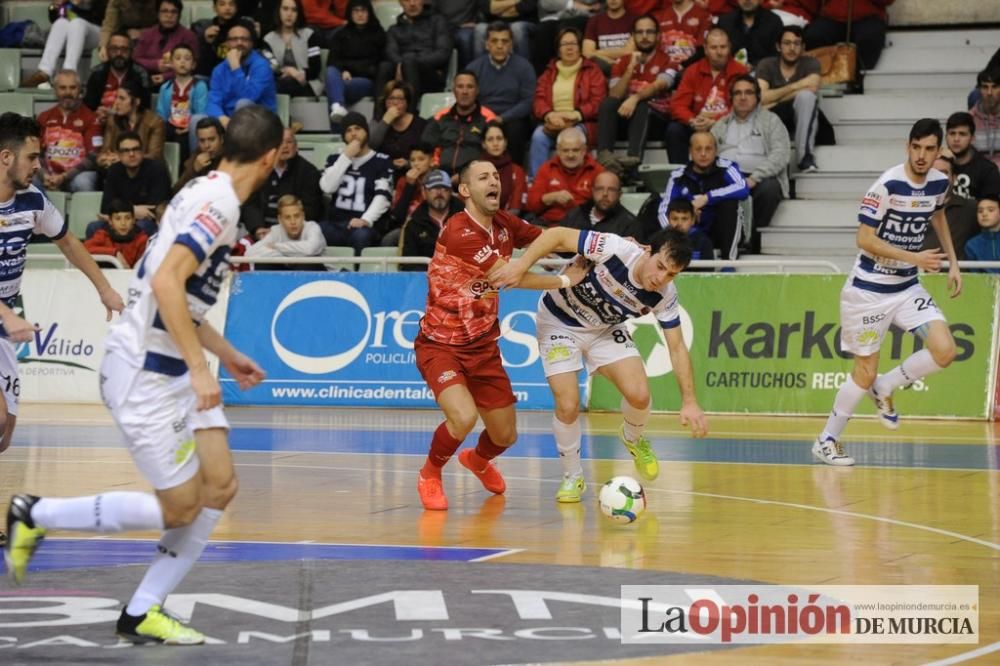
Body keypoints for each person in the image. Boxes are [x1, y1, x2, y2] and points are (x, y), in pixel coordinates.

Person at [4, 105, 283, 644]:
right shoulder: (219, 202)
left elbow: (176, 291)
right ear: (270, 158)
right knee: (181, 506)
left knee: (220, 486)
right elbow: (166, 286)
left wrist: (223, 354)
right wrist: (203, 369)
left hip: (173, 363)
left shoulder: (204, 188)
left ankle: (143, 609)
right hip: (146, 372)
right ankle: (38, 513)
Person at [412, 159, 588, 511]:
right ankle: (430, 473)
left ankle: (477, 460)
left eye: (496, 176)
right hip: (440, 345)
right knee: (463, 417)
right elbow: (511, 277)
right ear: (465, 191)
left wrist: (602, 246)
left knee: (505, 435)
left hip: (482, 345)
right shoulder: (459, 231)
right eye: (483, 177)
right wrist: (566, 280)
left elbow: (550, 239)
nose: (494, 181)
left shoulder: (504, 224)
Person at [491, 226, 708, 502]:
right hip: (559, 321)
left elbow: (676, 346)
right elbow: (556, 234)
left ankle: (633, 438)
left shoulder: (665, 295)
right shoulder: (615, 248)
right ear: (648, 251)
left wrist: (689, 400)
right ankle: (573, 477)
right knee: (568, 405)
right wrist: (520, 266)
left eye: (671, 274)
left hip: (604, 329)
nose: (660, 278)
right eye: (660, 266)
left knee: (640, 395)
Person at [813, 118, 961, 466]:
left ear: (938, 151)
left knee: (945, 349)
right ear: (907, 146)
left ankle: (887, 385)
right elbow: (863, 238)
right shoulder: (888, 184)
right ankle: (826, 440)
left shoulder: (939, 182)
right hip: (868, 291)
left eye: (929, 149)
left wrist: (953, 261)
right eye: (916, 148)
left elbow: (937, 215)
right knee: (863, 373)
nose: (922, 156)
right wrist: (915, 257)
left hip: (907, 286)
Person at [0, 112, 125, 467]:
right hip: (3, 315)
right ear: (6, 157)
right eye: (32, 157)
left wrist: (104, 288)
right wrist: (8, 314)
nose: (38, 165)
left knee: (4, 434)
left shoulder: (33, 201)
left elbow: (69, 242)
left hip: (3, 322)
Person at [711, 74, 791, 253]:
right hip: (727, 177)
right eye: (738, 93)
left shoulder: (771, 121)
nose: (743, 97)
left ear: (757, 97)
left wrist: (755, 177)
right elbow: (708, 153)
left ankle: (752, 239)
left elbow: (781, 154)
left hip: (759, 178)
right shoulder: (721, 125)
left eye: (748, 92)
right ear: (731, 98)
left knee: (769, 189)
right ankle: (726, 240)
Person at [596, 14, 674, 176]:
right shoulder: (622, 62)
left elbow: (660, 85)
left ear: (658, 36)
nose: (644, 36)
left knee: (642, 106)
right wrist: (630, 69)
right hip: (626, 117)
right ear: (633, 36)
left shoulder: (668, 61)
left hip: (655, 120)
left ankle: (633, 162)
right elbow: (615, 94)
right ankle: (604, 159)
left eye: (649, 32)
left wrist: (635, 97)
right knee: (608, 104)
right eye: (639, 32)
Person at [658, 130, 750, 259]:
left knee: (730, 204)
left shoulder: (727, 167)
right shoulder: (678, 175)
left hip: (721, 231)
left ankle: (729, 261)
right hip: (690, 234)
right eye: (698, 149)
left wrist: (708, 198)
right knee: (662, 206)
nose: (703, 154)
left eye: (708, 149)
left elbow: (743, 188)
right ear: (690, 151)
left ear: (716, 150)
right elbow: (663, 210)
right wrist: (683, 223)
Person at [529, 27, 607, 177]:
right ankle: (536, 182)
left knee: (574, 137)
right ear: (558, 50)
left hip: (581, 122)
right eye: (564, 44)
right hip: (554, 122)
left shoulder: (592, 70)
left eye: (573, 43)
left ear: (580, 47)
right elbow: (539, 100)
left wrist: (575, 114)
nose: (569, 47)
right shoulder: (548, 73)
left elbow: (598, 101)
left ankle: (579, 181)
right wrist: (549, 115)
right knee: (538, 136)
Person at [666, 26, 748, 164]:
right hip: (696, 124)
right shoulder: (693, 71)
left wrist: (716, 122)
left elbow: (743, 107)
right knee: (674, 130)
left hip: (728, 125)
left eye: (723, 47)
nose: (719, 52)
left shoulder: (739, 72)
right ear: (705, 49)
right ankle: (680, 176)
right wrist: (692, 121)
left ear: (729, 48)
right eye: (714, 47)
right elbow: (678, 105)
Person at [319, 112, 394, 253]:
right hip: (337, 224)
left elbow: (383, 197)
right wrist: (346, 156)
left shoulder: (382, 161)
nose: (353, 134)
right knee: (317, 230)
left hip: (367, 226)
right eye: (348, 130)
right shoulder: (335, 159)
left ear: (366, 131)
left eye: (358, 128)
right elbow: (327, 187)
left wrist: (365, 220)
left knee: (361, 236)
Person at [466, 21, 537, 165]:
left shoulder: (524, 67)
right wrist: (487, 117)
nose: (499, 46)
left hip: (512, 118)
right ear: (487, 45)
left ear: (511, 45)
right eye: (494, 41)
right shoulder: (474, 68)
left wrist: (503, 118)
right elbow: (469, 99)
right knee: (470, 130)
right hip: (482, 117)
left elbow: (528, 101)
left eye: (505, 41)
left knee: (516, 130)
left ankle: (514, 173)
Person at [199, 21, 278, 146]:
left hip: (260, 121)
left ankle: (244, 157)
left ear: (252, 43)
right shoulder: (219, 70)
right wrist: (221, 118)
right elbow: (213, 101)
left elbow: (249, 96)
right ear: (227, 43)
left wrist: (236, 68)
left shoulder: (262, 66)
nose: (239, 43)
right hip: (227, 120)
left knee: (243, 104)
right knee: (196, 120)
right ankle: (202, 163)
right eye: (234, 39)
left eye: (244, 39)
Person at [756, 24, 821, 172]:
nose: (792, 48)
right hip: (774, 117)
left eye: (797, 43)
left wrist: (775, 98)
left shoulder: (811, 63)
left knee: (806, 97)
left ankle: (805, 157)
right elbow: (761, 98)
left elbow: (812, 88)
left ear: (803, 47)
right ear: (778, 47)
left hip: (801, 116)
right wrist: (796, 87)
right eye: (787, 43)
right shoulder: (766, 64)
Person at [242, 126, 324, 239]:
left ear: (296, 146)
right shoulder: (259, 169)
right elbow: (250, 204)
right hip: (262, 233)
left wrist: (279, 232)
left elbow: (310, 210)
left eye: (289, 142)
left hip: (295, 235)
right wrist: (258, 228)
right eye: (279, 142)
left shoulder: (309, 172)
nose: (284, 146)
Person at [421, 71, 498, 178]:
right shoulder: (440, 117)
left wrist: (465, 175)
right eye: (460, 87)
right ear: (454, 90)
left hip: (475, 177)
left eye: (470, 87)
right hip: (441, 177)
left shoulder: (488, 119)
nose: (465, 91)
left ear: (477, 91)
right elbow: (425, 147)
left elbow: (495, 153)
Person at [37, 70, 103, 193]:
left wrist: (64, 177)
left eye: (73, 88)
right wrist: (44, 175)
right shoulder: (44, 117)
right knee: (26, 178)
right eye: (63, 88)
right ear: (55, 90)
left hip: (78, 175)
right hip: (49, 175)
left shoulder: (91, 118)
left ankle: (84, 212)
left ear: (80, 90)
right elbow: (36, 153)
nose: (68, 92)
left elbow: (93, 156)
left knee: (83, 182)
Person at [526, 126, 605, 227]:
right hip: (549, 226)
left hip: (583, 228)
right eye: (565, 150)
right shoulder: (546, 169)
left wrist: (575, 205)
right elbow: (531, 205)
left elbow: (603, 206)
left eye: (575, 150)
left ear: (584, 150)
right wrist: (550, 197)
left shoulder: (597, 171)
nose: (570, 155)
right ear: (558, 150)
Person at [375, 0, 453, 101]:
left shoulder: (437, 21)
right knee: (384, 67)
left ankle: (411, 114)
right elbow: (390, 52)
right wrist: (401, 64)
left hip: (431, 74)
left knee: (409, 61)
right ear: (400, 3)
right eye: (407, 0)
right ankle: (378, 115)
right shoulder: (394, 29)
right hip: (402, 73)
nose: (412, 4)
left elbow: (443, 53)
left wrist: (411, 62)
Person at [99, 132, 173, 236]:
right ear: (119, 155)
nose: (132, 154)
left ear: (142, 152)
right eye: (126, 151)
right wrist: (133, 210)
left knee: (143, 226)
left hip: (148, 222)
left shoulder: (157, 169)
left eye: (136, 149)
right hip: (121, 221)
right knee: (93, 226)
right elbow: (106, 207)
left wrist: (121, 210)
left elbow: (155, 208)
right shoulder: (113, 170)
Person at [22, 0, 107, 88]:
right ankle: (44, 72)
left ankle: (69, 72)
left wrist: (77, 6)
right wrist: (54, 7)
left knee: (77, 23)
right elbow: (54, 19)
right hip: (75, 32)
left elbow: (102, 18)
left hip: (99, 32)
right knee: (60, 23)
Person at [325, 0, 385, 123]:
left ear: (369, 13)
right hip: (344, 78)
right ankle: (337, 106)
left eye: (363, 10)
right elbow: (332, 60)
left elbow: (377, 63)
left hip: (367, 80)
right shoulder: (340, 34)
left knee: (334, 87)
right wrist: (343, 71)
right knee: (331, 72)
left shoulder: (378, 34)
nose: (360, 14)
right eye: (356, 11)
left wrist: (349, 69)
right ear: (350, 13)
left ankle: (337, 121)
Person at [399, 169, 464, 269]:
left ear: (451, 191)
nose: (439, 193)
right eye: (433, 188)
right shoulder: (414, 224)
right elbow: (408, 264)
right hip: (427, 280)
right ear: (424, 192)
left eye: (444, 188)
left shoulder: (466, 217)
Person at [803, 0, 894, 71]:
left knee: (868, 40)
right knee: (814, 36)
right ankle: (826, 78)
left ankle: (858, 80)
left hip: (869, 16)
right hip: (832, 16)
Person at [155, 45, 208, 162]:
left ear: (193, 64)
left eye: (187, 59)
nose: (182, 62)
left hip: (191, 126)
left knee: (183, 139)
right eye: (178, 58)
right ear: (172, 63)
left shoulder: (200, 86)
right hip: (170, 125)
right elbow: (161, 113)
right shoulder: (165, 87)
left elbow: (201, 111)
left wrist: (189, 126)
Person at [84, 31, 152, 121]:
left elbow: (145, 109)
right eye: (114, 49)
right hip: (102, 123)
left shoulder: (141, 74)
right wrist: (97, 113)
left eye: (124, 49)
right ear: (107, 50)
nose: (119, 53)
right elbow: (89, 107)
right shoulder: (97, 73)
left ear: (131, 52)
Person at [246, 194, 326, 270]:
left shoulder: (312, 227)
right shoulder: (276, 230)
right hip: (288, 273)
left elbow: (310, 249)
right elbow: (250, 253)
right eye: (287, 217)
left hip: (322, 279)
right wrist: (285, 258)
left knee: (306, 264)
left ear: (303, 216)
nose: (293, 222)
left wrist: (278, 246)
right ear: (280, 219)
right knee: (263, 264)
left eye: (296, 216)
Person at [261, 0, 324, 98]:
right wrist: (290, 72)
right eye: (285, 9)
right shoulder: (268, 39)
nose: (289, 14)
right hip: (280, 83)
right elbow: (272, 68)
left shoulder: (310, 35)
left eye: (294, 10)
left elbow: (315, 69)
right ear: (278, 11)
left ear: (299, 14)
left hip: (307, 84)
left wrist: (299, 74)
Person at [369, 81, 429, 180]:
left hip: (414, 177)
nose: (395, 103)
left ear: (407, 102)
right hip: (384, 177)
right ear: (385, 101)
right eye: (391, 98)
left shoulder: (421, 124)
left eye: (400, 99)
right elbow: (370, 147)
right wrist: (386, 121)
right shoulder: (378, 122)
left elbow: (427, 156)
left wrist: (409, 163)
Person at [133, 0, 199, 86]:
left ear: (179, 15)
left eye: (174, 12)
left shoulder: (189, 36)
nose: (169, 15)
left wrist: (166, 76)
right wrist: (155, 64)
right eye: (164, 11)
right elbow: (136, 58)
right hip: (146, 78)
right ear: (157, 14)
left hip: (178, 81)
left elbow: (193, 66)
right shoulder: (147, 34)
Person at [559, 170, 642, 239]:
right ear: (593, 191)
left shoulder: (629, 224)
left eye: (611, 190)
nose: (605, 194)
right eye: (599, 189)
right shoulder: (574, 215)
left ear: (619, 194)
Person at [84, 197, 150, 268]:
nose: (123, 223)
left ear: (134, 220)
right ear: (110, 221)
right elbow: (84, 249)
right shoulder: (102, 235)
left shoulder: (141, 239)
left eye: (127, 218)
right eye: (118, 219)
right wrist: (114, 252)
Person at [717, 0, 783, 68]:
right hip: (729, 71)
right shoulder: (725, 22)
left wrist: (755, 65)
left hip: (764, 73)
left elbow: (777, 55)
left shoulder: (774, 22)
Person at [480, 121, 527, 215]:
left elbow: (516, 208)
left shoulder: (517, 171)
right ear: (483, 144)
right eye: (490, 139)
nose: (495, 143)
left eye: (499, 139)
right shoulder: (475, 170)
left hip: (509, 222)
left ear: (505, 142)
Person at [582, 0, 634, 76]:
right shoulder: (594, 21)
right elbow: (587, 53)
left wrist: (596, 52)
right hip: (601, 74)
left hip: (628, 72)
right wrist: (613, 63)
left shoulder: (635, 20)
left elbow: (629, 52)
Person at [192, 0, 242, 79]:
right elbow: (200, 63)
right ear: (215, 8)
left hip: (237, 73)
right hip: (211, 74)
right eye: (222, 4)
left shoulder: (244, 29)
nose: (227, 8)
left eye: (231, 4)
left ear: (236, 8)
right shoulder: (206, 29)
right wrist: (206, 41)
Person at [175, 117, 224, 191]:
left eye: (211, 139)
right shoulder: (197, 155)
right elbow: (177, 192)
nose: (207, 145)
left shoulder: (231, 157)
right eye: (202, 140)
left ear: (222, 139)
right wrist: (194, 169)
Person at [665, 197, 715, 268]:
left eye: (684, 219)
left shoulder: (703, 242)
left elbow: (708, 273)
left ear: (693, 220)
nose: (679, 223)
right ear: (668, 219)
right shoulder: (660, 241)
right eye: (675, 219)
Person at [970, 69, 1000, 167]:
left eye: (994, 87)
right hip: (979, 177)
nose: (989, 92)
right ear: (979, 90)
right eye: (985, 87)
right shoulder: (970, 119)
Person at [965, 194, 1000, 273]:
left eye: (990, 210)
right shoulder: (971, 245)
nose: (984, 214)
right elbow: (974, 277)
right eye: (980, 211)